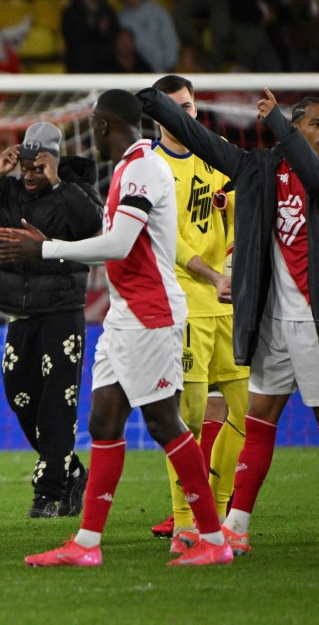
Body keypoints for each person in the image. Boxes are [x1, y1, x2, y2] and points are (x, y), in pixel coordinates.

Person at [0, 89, 233, 567]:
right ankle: (85, 544)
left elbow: (122, 243)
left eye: (94, 126)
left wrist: (45, 248)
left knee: (165, 422)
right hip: (124, 315)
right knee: (104, 421)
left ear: (104, 125)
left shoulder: (143, 168)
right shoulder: (128, 168)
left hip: (151, 313)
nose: (93, 136)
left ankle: (213, 537)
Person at [137, 86, 319, 555]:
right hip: (273, 324)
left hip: (314, 324)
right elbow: (204, 142)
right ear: (297, 129)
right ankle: (234, 525)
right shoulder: (261, 168)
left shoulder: (313, 170)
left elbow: (314, 177)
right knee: (256, 420)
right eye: (316, 125)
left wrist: (278, 121)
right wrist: (154, 104)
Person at [0, 122, 102, 519]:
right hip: (19, 313)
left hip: (63, 313)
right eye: (26, 168)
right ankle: (70, 470)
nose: (31, 176)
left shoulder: (77, 188)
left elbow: (92, 229)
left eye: (40, 167)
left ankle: (47, 493)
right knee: (19, 396)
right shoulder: (8, 188)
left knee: (58, 404)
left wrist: (58, 184)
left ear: (53, 160)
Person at [147, 75, 249, 548]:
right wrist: (214, 277)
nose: (184, 116)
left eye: (189, 107)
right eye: (174, 110)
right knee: (185, 420)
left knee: (249, 414)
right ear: (157, 117)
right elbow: (166, 241)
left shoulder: (218, 151)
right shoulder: (151, 166)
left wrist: (231, 255)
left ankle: (223, 510)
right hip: (185, 306)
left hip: (230, 304)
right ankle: (185, 520)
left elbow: (241, 205)